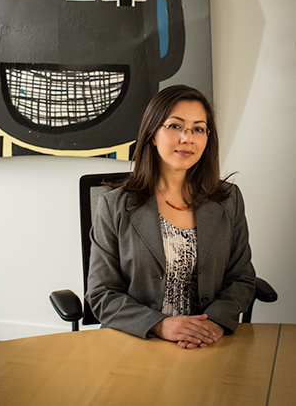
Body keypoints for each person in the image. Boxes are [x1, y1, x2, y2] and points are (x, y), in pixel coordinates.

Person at [86, 84, 255, 349]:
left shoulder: (228, 200)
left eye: (198, 129)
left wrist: (215, 321)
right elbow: (101, 293)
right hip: (137, 340)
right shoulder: (114, 205)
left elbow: (242, 277)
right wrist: (159, 324)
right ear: (152, 135)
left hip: (207, 342)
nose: (187, 138)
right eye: (175, 126)